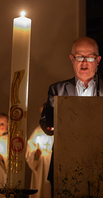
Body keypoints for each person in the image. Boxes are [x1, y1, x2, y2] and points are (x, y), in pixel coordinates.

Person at [39, 36, 102, 196]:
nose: (84, 62)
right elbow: (48, 127)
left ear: (98, 60)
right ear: (71, 59)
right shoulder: (57, 90)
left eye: (89, 57)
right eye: (79, 57)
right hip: (65, 164)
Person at [26, 104, 53, 198]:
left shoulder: (58, 130)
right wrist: (36, 155)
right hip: (40, 168)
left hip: (51, 166)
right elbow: (30, 149)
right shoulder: (37, 131)